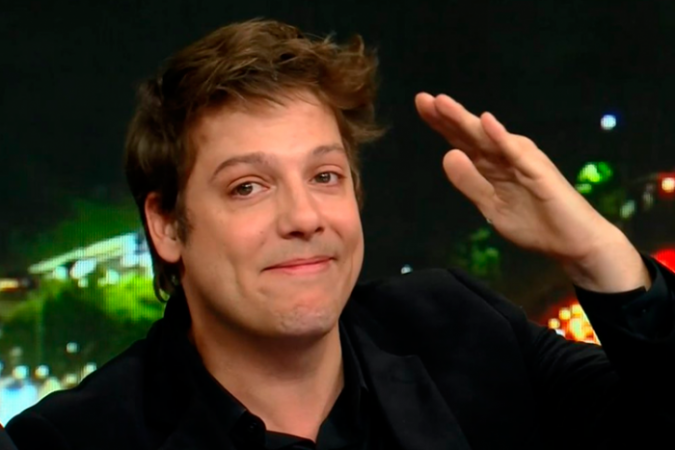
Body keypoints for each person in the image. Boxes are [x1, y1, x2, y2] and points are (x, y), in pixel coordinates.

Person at [6, 18, 674, 450]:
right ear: (166, 225)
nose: (305, 217)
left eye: (324, 175)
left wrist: (597, 254)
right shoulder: (67, 442)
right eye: (248, 186)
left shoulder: (460, 328)